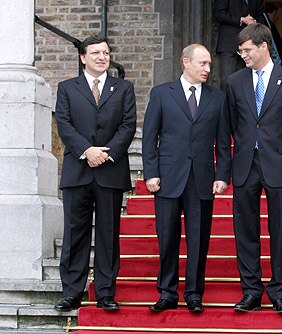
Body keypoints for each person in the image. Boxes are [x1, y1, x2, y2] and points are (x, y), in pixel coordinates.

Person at [142, 44, 231, 313]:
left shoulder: (218, 99)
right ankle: (167, 292)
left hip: (202, 179)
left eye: (209, 65)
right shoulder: (161, 94)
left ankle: (194, 293)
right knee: (167, 237)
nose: (207, 69)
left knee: (198, 239)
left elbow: (224, 141)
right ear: (185, 62)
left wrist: (222, 174)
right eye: (202, 63)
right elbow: (149, 138)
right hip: (168, 178)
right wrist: (151, 173)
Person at [226, 23, 282, 314]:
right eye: (240, 50)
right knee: (244, 229)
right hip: (246, 163)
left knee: (280, 228)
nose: (243, 55)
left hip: (278, 162)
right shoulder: (235, 81)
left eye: (247, 50)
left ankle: (279, 290)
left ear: (263, 47)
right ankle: (251, 290)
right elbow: (232, 123)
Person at [54, 35, 137, 312]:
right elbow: (64, 125)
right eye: (95, 53)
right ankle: (72, 292)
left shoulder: (123, 88)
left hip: (110, 171)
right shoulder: (67, 88)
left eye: (106, 52)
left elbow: (128, 126)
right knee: (75, 234)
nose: (102, 57)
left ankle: (105, 292)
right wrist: (87, 151)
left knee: (108, 234)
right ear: (83, 58)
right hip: (78, 170)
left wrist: (106, 152)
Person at [214, 0, 264, 89]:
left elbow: (260, 15)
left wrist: (254, 22)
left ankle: (241, 102)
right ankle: (227, 102)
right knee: (227, 79)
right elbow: (219, 14)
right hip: (228, 42)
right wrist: (241, 20)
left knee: (245, 78)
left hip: (249, 42)